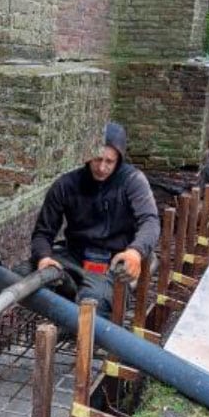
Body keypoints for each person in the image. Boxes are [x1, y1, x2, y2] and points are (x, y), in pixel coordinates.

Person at [27, 122, 160, 317]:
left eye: (109, 161)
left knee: (91, 304)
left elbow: (150, 220)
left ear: (119, 160)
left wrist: (135, 252)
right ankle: (68, 288)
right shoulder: (65, 185)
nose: (102, 167)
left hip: (112, 261)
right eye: (97, 159)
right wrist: (43, 258)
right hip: (74, 256)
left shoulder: (132, 181)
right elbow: (43, 233)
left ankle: (80, 305)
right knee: (19, 276)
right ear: (88, 156)